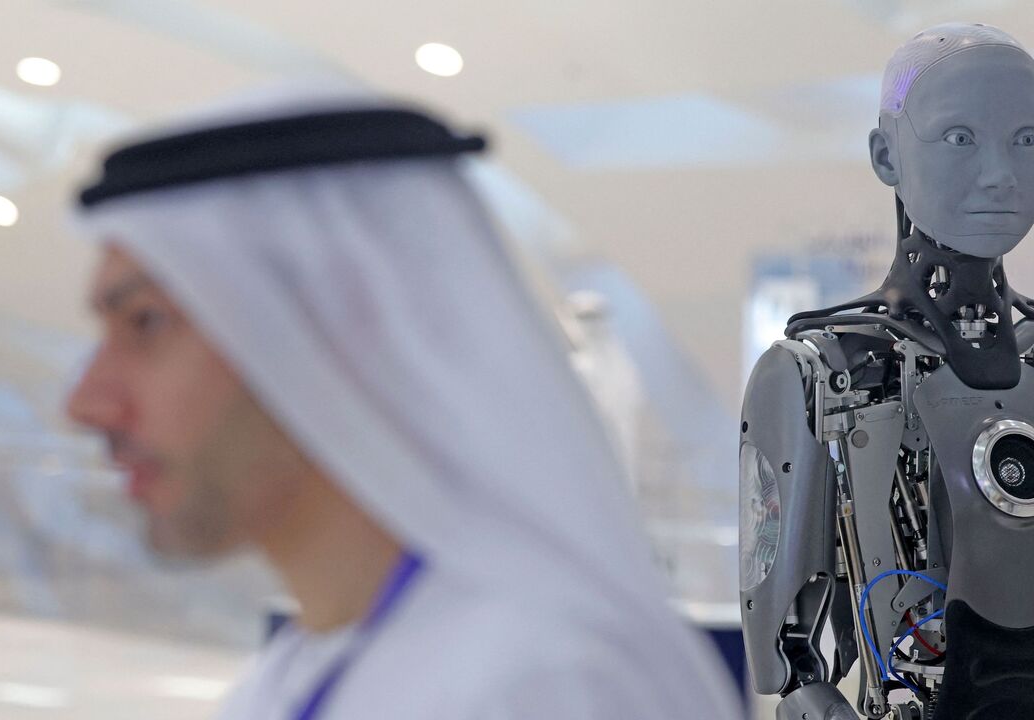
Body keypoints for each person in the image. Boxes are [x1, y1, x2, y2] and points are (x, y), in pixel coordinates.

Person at [66, 87, 740, 720]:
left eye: (147, 323)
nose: (87, 404)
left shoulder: (544, 684)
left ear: (334, 330)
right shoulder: (297, 669)